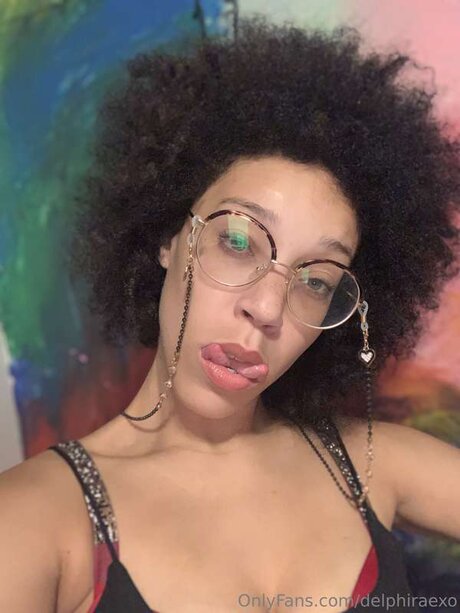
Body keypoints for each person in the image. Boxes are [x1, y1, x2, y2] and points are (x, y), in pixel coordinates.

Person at [1, 17, 460, 613]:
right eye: (238, 242)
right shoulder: (36, 519)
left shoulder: (370, 463)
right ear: (169, 238)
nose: (266, 308)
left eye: (315, 280)